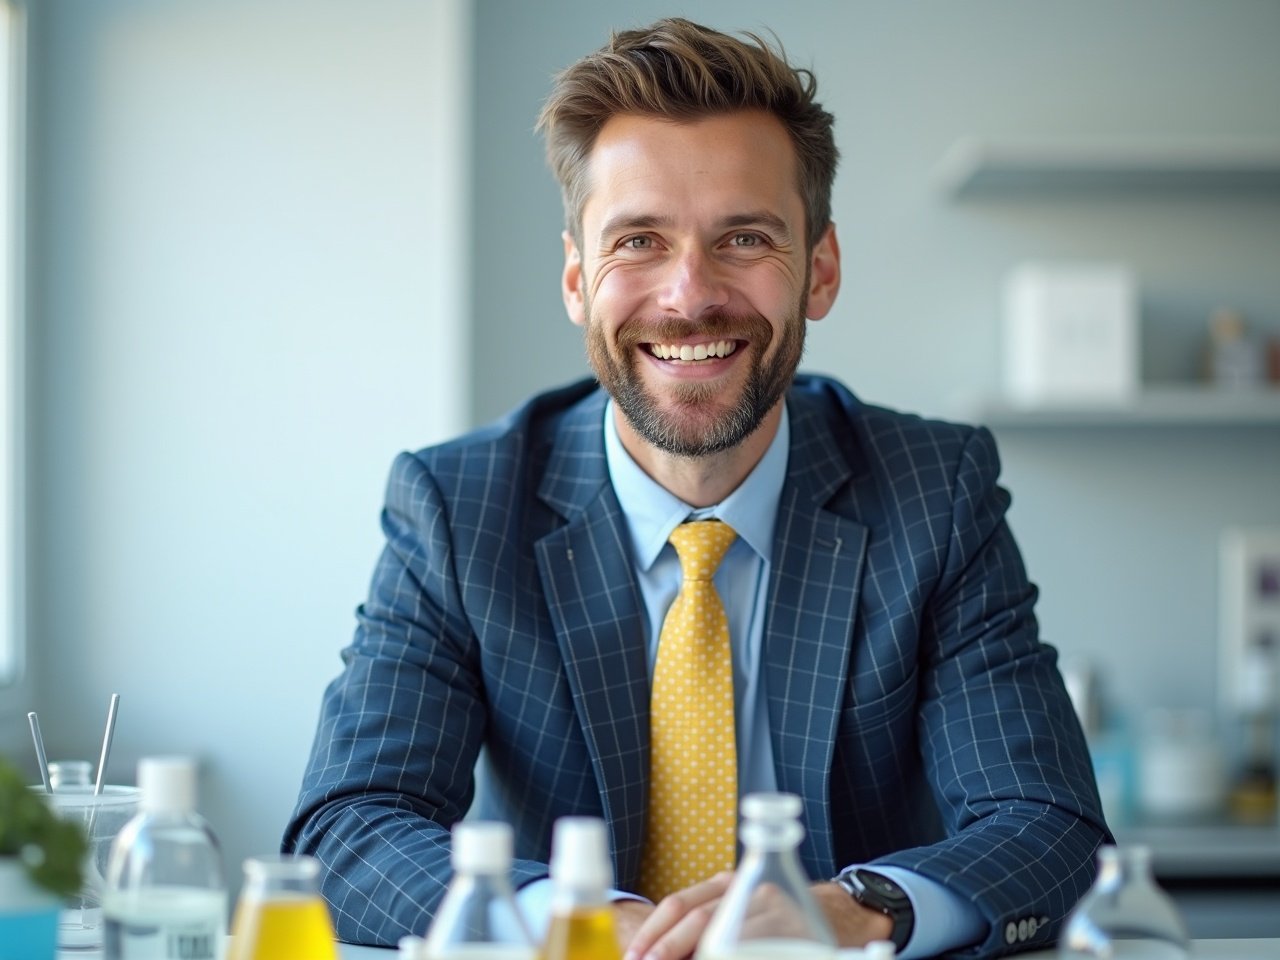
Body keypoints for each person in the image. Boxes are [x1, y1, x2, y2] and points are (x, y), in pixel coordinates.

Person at [283, 17, 1109, 959]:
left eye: (744, 238)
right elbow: (349, 830)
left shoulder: (935, 494)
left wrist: (854, 910)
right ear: (577, 279)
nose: (688, 295)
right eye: (637, 240)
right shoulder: (456, 507)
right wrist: (582, 918)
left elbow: (1049, 828)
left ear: (821, 270)